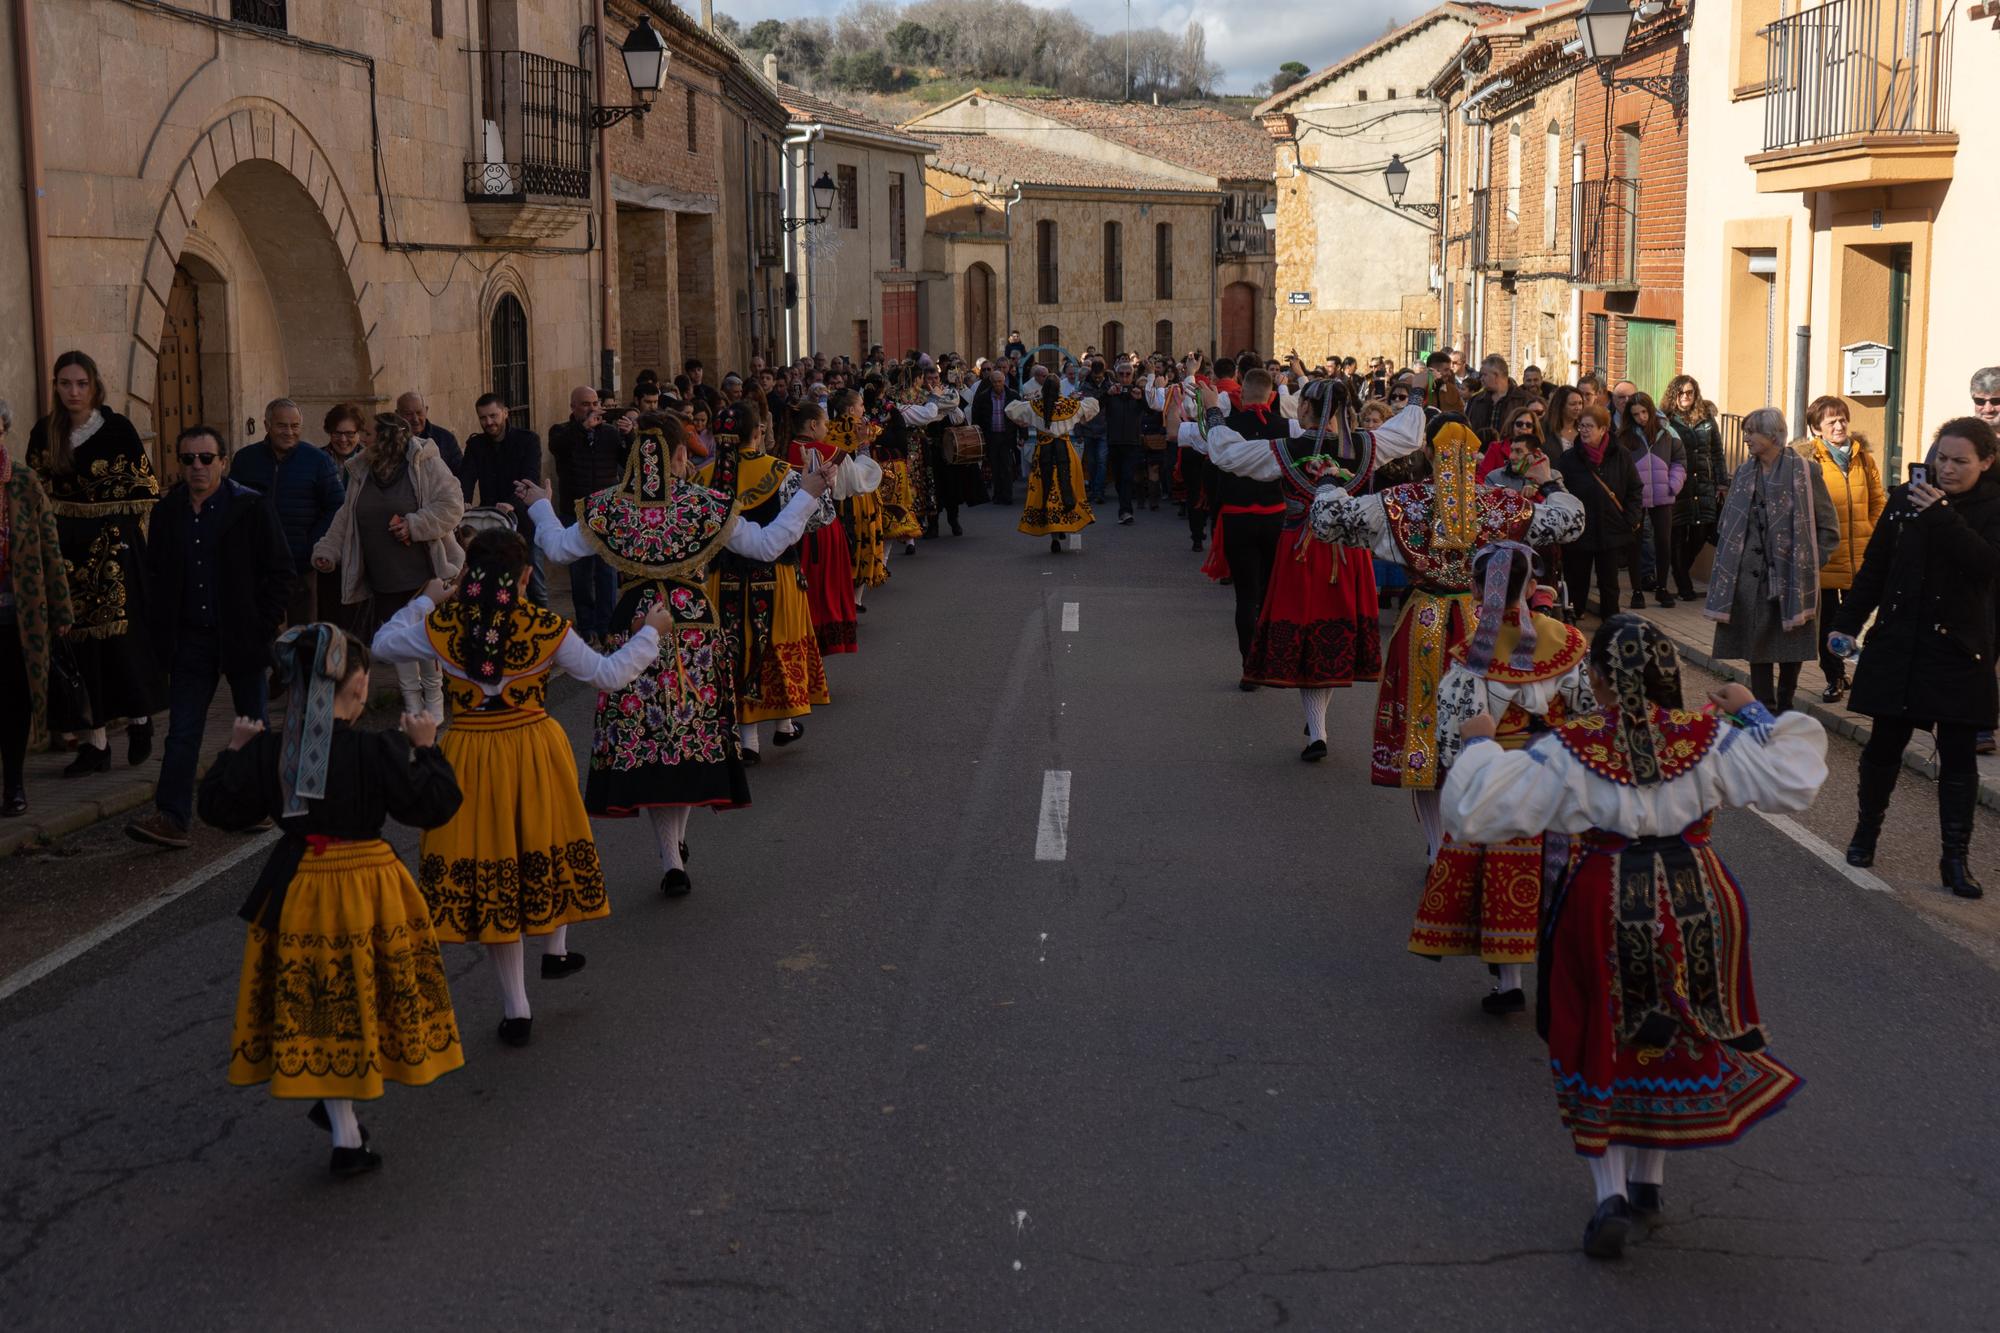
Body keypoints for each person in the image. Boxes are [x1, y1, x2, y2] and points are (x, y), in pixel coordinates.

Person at [1445, 614, 1824, 1259]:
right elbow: (1793, 779)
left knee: (1605, 1033)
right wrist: (1755, 710)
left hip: (1607, 898)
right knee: (1671, 1030)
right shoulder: (1709, 737)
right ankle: (1649, 1184)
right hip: (1696, 897)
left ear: (1596, 680)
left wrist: (1480, 744)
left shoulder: (1571, 746)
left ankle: (1611, 1196)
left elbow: (1483, 812)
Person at [374, 529, 670, 1045]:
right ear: (526, 576)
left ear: (468, 576)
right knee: (544, 847)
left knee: (494, 869)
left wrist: (425, 598)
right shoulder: (545, 626)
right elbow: (609, 674)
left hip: (469, 752)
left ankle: (517, 1006)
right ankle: (554, 951)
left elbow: (381, 644)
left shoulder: (442, 624)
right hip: (533, 748)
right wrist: (650, 633)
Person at [518, 409, 829, 897]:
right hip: (694, 636)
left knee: (652, 749)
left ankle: (670, 854)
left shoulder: (610, 509)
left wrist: (540, 505)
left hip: (634, 632)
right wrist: (808, 492)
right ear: (679, 453)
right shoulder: (703, 505)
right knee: (685, 745)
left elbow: (556, 549)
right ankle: (673, 853)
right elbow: (768, 545)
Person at [199, 625, 465, 1177]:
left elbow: (220, 809)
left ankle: (343, 1127)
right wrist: (427, 749)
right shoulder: (375, 749)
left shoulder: (272, 752)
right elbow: (434, 806)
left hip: (298, 889)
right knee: (365, 1001)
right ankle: (345, 1137)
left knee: (324, 1007)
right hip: (368, 886)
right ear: (360, 684)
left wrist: (234, 750)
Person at [1309, 412, 1585, 858]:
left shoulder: (1401, 502)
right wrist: (1550, 483)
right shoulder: (1502, 503)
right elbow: (1570, 522)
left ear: (1428, 453)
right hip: (1490, 622)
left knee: (1427, 742)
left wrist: (1328, 483)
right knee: (1489, 732)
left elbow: (1327, 521)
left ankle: (1439, 850)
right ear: (1475, 455)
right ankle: (1484, 840)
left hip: (1425, 624)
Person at [1416, 543, 1590, 1013]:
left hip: (1500, 777)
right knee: (1571, 876)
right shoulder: (1567, 642)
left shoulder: (1470, 657)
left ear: (1475, 590)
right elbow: (1588, 712)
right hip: (1559, 774)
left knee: (1502, 875)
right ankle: (1573, 975)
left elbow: (1455, 734)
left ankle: (1508, 982)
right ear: (1533, 587)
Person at [1831, 417, 2000, 898]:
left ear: (1986, 462)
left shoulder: (1991, 506)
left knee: (1960, 759)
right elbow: (1877, 566)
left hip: (1960, 650)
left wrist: (1942, 514)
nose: (1946, 468)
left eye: (1960, 461)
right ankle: (1865, 834)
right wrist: (1845, 623)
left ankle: (1955, 860)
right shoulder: (1906, 497)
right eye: (1940, 458)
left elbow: (1988, 565)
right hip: (1901, 643)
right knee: (1883, 746)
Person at [1192, 376, 1403, 750]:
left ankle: (1317, 728)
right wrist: (1418, 393)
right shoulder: (1368, 446)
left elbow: (1228, 455)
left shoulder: (1286, 449)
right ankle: (1317, 726)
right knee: (1332, 638)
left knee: (1308, 634)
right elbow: (1411, 432)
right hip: (1346, 552)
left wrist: (1212, 408)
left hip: (1302, 550)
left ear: (1305, 407)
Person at [125, 424, 292, 849]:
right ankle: (172, 816)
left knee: (252, 723)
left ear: (222, 461)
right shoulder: (166, 513)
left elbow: (279, 572)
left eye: (205, 458)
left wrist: (262, 623)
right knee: (182, 732)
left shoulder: (250, 507)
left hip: (241, 637)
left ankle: (256, 805)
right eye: (187, 459)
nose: (196, 466)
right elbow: (156, 576)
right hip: (190, 641)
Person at [27, 350, 164, 775]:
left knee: (120, 643)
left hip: (113, 549)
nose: (73, 391)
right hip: (64, 553)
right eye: (65, 384)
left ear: (94, 386)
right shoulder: (44, 433)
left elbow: (142, 488)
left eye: (80, 384)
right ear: (56, 387)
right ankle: (95, 743)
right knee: (77, 645)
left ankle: (140, 722)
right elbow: (36, 494)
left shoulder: (117, 429)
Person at [703, 400, 838, 764]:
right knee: (776, 646)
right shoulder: (783, 473)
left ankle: (748, 740)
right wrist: (823, 487)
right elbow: (821, 516)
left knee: (736, 648)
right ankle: (784, 723)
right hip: (777, 577)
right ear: (758, 432)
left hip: (721, 579)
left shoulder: (703, 478)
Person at [311, 413, 465, 718]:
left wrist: (414, 524)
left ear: (385, 436)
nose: (360, 438)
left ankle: (434, 708)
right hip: (384, 574)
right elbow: (347, 514)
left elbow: (452, 505)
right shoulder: (362, 469)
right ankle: (411, 707)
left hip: (423, 572)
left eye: (366, 432)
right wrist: (328, 549)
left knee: (425, 637)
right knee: (399, 640)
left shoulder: (425, 461)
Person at [1705, 407, 1839, 714]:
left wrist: (1809, 565)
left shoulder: (1805, 471)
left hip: (1793, 577)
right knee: (1757, 646)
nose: (1746, 438)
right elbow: (1727, 522)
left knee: (1791, 646)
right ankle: (1763, 707)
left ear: (1772, 435)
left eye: (1751, 432)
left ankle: (1786, 705)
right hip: (1750, 579)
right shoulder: (1743, 473)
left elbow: (1828, 528)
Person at [0, 398, 75, 817]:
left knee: (14, 701)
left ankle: (13, 785)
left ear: (4, 431)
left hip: (18, 615)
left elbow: (49, 545)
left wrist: (61, 610)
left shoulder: (25, 483)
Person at [228, 398, 344, 626]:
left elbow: (337, 506)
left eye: (295, 426)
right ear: (266, 425)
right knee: (259, 628)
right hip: (257, 564)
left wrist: (313, 545)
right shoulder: (245, 460)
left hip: (300, 564)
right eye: (282, 425)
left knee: (303, 632)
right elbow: (233, 505)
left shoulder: (318, 461)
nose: (289, 432)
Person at [1799, 395, 1883, 703]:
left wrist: (1873, 534)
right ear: (1816, 428)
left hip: (1860, 556)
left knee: (1862, 623)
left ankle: (1864, 675)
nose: (1839, 425)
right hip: (1826, 557)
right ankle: (1834, 676)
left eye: (1842, 419)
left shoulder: (1863, 458)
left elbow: (1878, 501)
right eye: (1831, 421)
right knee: (1829, 625)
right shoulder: (1810, 462)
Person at [786, 402, 879, 656]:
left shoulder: (781, 449)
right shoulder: (826, 452)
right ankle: (820, 648)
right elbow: (857, 483)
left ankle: (798, 648)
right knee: (822, 591)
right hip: (820, 531)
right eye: (825, 423)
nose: (827, 429)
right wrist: (862, 447)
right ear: (813, 425)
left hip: (785, 531)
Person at [460, 392, 548, 609]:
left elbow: (530, 477)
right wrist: (463, 501)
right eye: (483, 418)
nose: (488, 422)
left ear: (505, 413)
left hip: (523, 521)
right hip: (491, 523)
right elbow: (466, 478)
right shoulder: (476, 445)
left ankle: (544, 625)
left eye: (493, 416)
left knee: (534, 580)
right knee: (494, 580)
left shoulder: (528, 440)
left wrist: (511, 503)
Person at [1556, 406, 1642, 621]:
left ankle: (1611, 625)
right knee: (1577, 581)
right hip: (1580, 531)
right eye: (1581, 426)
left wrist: (1630, 520)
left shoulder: (1620, 454)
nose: (1583, 430)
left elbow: (1635, 489)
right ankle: (1573, 626)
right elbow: (1557, 490)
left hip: (1611, 529)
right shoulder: (1569, 458)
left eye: (1589, 426)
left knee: (1609, 584)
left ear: (1603, 429)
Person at [549, 386, 626, 620]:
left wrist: (630, 435)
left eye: (595, 404)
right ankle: (586, 624)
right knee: (581, 573)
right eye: (585, 404)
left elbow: (629, 461)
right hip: (576, 512)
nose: (592, 409)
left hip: (605, 512)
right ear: (573, 407)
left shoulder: (610, 433)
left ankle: (607, 626)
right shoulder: (561, 431)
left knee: (607, 572)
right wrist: (583, 429)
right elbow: (559, 448)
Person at [1008, 374, 1099, 553]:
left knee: (1047, 492)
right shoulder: (1070, 405)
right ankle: (1065, 526)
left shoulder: (1035, 406)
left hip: (1043, 452)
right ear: (1059, 389)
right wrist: (1075, 398)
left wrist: (1030, 398)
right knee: (1068, 489)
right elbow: (1093, 404)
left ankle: (1054, 534)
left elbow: (1011, 410)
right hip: (1066, 451)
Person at [1619, 392, 1686, 608]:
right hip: (1636, 497)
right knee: (1634, 544)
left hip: (1663, 495)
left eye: (1644, 412)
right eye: (1636, 414)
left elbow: (1680, 460)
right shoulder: (1624, 435)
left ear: (1650, 409)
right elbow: (1619, 465)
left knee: (1663, 543)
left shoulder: (1668, 432)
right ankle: (1637, 591)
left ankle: (1662, 589)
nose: (1641, 417)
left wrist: (1673, 484)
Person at [1663, 375, 1724, 603]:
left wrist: (1721, 482)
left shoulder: (1706, 419)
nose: (1685, 397)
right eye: (1681, 393)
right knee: (1678, 533)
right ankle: (1683, 583)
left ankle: (1680, 571)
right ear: (1674, 395)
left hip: (1704, 484)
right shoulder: (1667, 420)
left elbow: (1717, 452)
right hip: (1679, 484)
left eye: (1690, 392)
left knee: (1701, 533)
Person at [1099, 362, 1149, 525]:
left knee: (1127, 476)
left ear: (1133, 375)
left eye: (1128, 374)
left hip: (1132, 442)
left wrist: (1141, 399)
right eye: (1121, 374)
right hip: (1114, 441)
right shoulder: (1111, 391)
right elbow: (1096, 406)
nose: (1125, 377)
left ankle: (1126, 511)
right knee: (1119, 479)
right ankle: (1124, 507)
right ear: (1116, 375)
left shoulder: (1138, 392)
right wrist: (1107, 394)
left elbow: (1151, 411)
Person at [971, 366, 1017, 508]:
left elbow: (1020, 416)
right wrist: (977, 435)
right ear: (991, 382)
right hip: (991, 436)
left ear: (1004, 381)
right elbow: (976, 417)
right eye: (995, 382)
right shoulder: (983, 397)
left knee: (1007, 466)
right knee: (995, 467)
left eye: (999, 381)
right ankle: (997, 495)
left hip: (1007, 436)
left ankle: (1007, 495)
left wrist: (1023, 435)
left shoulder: (1013, 396)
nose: (997, 384)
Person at [1465, 354, 1532, 443]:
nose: (1481, 379)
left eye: (1484, 375)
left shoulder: (1524, 399)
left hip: (1511, 453)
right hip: (1480, 454)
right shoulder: (1476, 400)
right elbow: (1467, 430)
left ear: (1496, 375)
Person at [396, 391, 462, 478]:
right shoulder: (391, 441)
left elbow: (461, 475)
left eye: (419, 412)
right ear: (397, 414)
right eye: (408, 414)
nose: (415, 419)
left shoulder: (446, 439)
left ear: (426, 410)